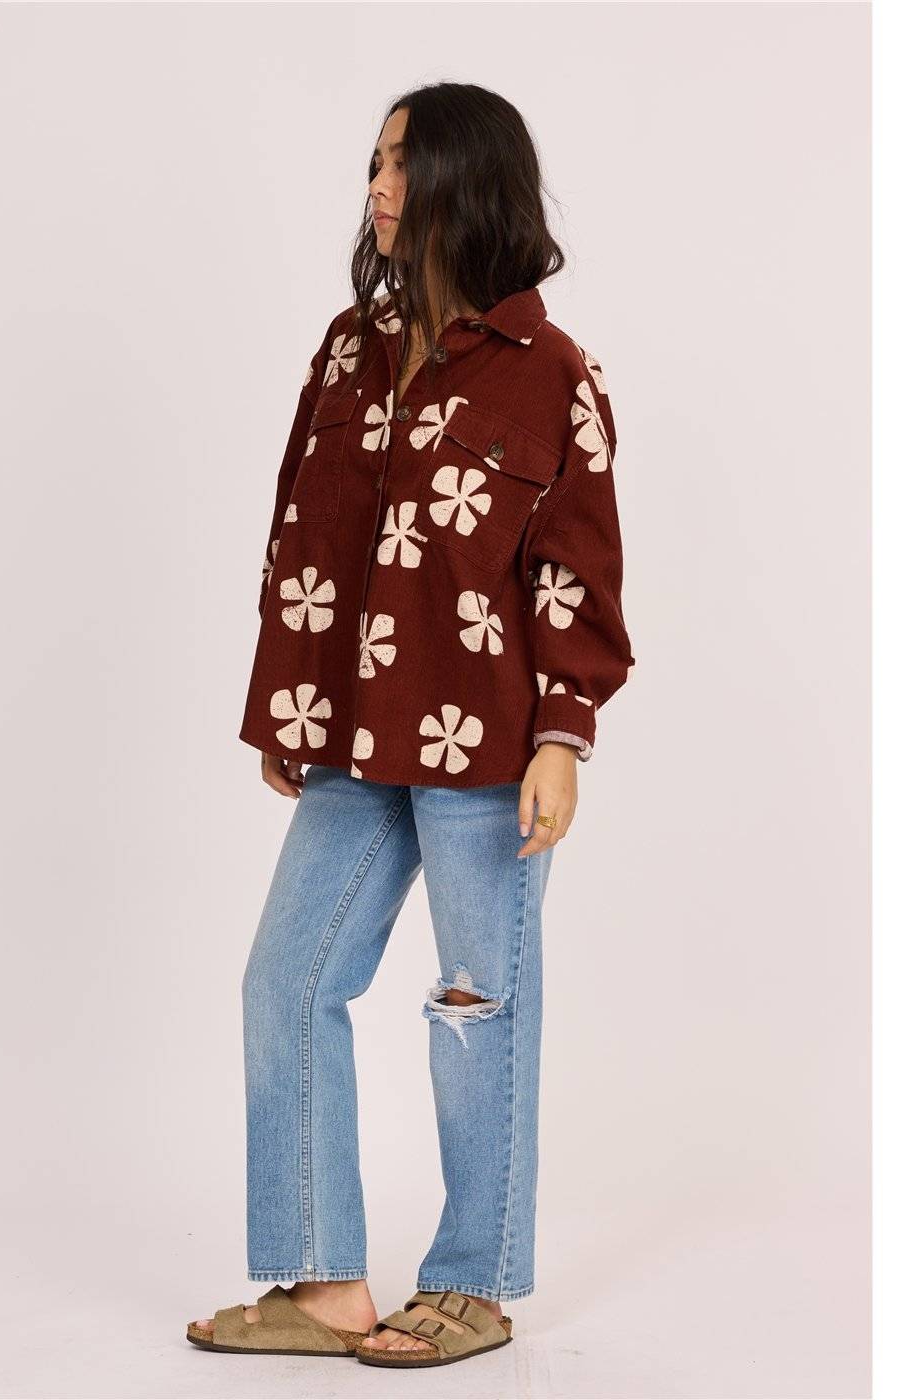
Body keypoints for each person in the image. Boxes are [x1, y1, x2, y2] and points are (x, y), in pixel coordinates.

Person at [186, 81, 634, 1370]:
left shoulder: (554, 375)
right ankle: (324, 1282)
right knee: (287, 982)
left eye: (400, 165)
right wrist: (292, 704)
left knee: (478, 1002)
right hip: (354, 737)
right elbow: (301, 533)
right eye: (374, 164)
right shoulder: (349, 349)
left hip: (485, 746)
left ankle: (474, 1283)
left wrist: (563, 737)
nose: (377, 189)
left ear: (462, 186)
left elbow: (575, 571)